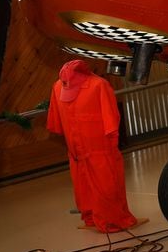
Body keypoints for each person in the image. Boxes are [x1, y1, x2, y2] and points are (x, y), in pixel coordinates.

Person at [47, 59, 146, 233]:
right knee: (99, 187)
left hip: (88, 150)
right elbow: (111, 120)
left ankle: (102, 218)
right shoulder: (73, 86)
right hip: (89, 151)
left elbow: (57, 125)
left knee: (92, 186)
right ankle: (108, 220)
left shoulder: (74, 86)